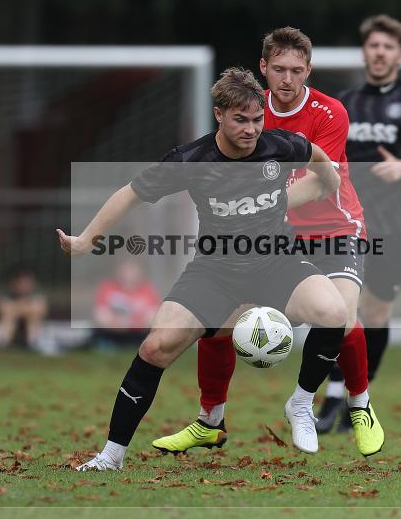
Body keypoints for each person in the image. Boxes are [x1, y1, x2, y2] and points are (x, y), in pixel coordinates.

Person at [57, 67, 349, 469]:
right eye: (240, 120)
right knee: (155, 347)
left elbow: (317, 158)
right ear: (219, 115)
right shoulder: (190, 159)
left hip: (276, 261)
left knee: (334, 312)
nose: (251, 129)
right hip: (216, 271)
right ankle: (112, 455)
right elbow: (130, 194)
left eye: (257, 119)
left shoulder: (280, 145)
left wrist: (326, 183)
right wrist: (87, 239)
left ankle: (300, 404)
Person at [153, 27, 383, 457]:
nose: (287, 78)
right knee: (218, 318)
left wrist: (254, 206)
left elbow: (317, 182)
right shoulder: (250, 109)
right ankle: (210, 421)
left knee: (342, 315)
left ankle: (351, 404)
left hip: (334, 226)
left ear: (308, 71)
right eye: (278, 69)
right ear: (264, 68)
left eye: (297, 70)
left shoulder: (330, 113)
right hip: (274, 234)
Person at [317, 14, 401, 431]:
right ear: (365, 52)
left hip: (394, 226)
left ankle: (358, 398)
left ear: (399, 54)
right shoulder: (344, 104)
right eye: (373, 46)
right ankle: (333, 397)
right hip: (345, 224)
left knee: (375, 313)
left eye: (387, 47)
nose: (379, 53)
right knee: (339, 311)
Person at [92, 260, 160, 350]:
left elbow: (152, 317)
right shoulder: (107, 287)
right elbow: (100, 315)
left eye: (132, 270)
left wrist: (132, 323)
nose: (128, 275)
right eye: (125, 270)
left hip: (139, 335)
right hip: (112, 334)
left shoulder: (148, 290)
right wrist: (116, 323)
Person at [0, 266, 49, 352]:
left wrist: (18, 308)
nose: (24, 285)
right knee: (8, 317)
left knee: (33, 317)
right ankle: (2, 344)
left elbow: (41, 309)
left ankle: (33, 345)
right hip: (11, 323)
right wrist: (23, 307)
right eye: (21, 282)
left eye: (26, 282)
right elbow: (2, 309)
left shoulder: (37, 291)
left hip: (32, 323)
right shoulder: (7, 291)